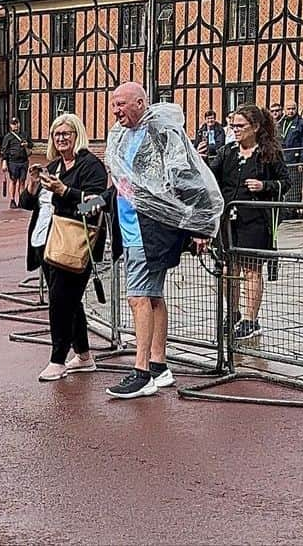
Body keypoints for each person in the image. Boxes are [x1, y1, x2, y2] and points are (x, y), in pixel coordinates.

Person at [103, 82, 222, 399]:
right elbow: (121, 177)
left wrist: (201, 225)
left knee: (138, 297)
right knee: (152, 296)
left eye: (122, 104)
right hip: (131, 225)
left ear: (140, 103)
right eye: (114, 104)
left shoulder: (159, 132)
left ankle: (141, 372)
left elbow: (187, 175)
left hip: (151, 228)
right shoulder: (122, 134)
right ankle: (158, 365)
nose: (116, 111)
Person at [19, 112, 113, 382]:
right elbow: (29, 204)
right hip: (46, 242)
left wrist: (65, 192)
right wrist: (33, 184)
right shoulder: (55, 165)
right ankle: (84, 356)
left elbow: (95, 205)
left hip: (75, 243)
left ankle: (57, 359)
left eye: (66, 134)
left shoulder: (90, 165)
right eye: (56, 134)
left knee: (61, 302)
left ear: (77, 136)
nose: (61, 139)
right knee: (69, 302)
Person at [208, 105, 290, 340]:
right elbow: (211, 178)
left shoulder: (269, 153)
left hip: (255, 221)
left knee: (251, 270)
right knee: (226, 269)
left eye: (240, 126)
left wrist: (265, 186)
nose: (235, 130)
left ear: (255, 127)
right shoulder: (227, 152)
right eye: (233, 126)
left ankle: (250, 319)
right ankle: (232, 314)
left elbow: (285, 182)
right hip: (227, 221)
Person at [273, 101, 303, 207]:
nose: (291, 111)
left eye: (293, 109)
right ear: (284, 110)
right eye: (288, 109)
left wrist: (302, 161)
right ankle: (286, 205)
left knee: (295, 184)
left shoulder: (301, 123)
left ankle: (295, 206)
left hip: (294, 159)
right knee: (285, 182)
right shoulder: (281, 122)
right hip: (282, 158)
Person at [0, 117, 31, 209]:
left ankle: (21, 200)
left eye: (17, 123)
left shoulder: (24, 135)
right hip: (13, 162)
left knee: (22, 181)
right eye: (13, 124)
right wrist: (4, 162)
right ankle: (12, 200)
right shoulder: (8, 137)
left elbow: (31, 144)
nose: (16, 125)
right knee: (13, 180)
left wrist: (27, 145)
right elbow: (4, 150)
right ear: (10, 125)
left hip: (24, 161)